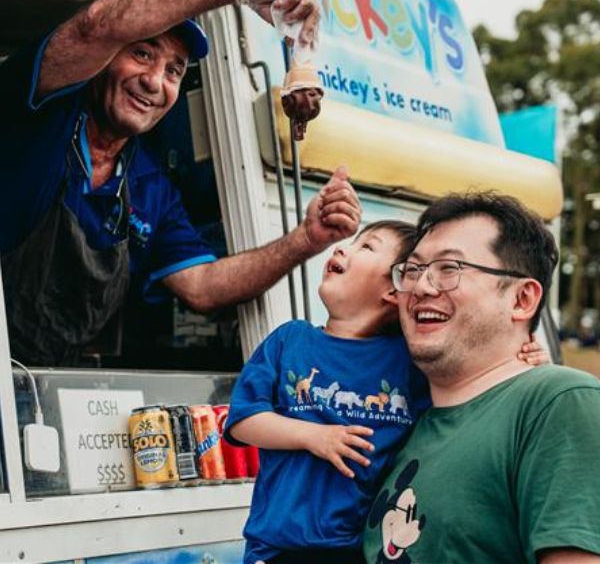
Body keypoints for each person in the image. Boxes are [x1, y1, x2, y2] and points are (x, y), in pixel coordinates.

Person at [0, 0, 360, 365]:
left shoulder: (149, 186)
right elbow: (96, 26)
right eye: (142, 54)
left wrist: (307, 239)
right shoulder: (42, 105)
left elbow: (202, 287)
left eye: (173, 71)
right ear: (103, 60)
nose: (154, 81)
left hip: (39, 383)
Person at [225, 219, 547, 564]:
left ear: (394, 290)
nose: (341, 248)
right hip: (279, 546)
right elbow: (243, 420)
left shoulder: (409, 359)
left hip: (363, 549)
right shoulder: (289, 340)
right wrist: (313, 436)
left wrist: (524, 356)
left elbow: (467, 387)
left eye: (366, 246)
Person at [361, 193, 600, 563]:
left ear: (522, 299)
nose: (421, 287)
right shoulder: (411, 423)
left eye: (449, 269)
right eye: (413, 270)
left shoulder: (565, 405)